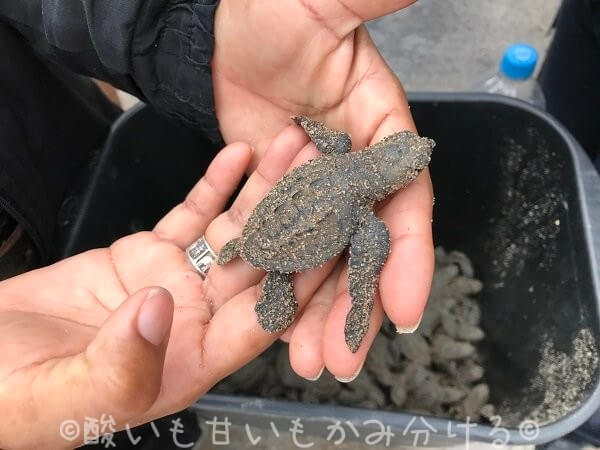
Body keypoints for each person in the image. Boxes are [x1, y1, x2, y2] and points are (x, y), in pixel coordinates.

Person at [0, 0, 434, 447]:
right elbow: (364, 269)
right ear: (388, 179)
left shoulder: (341, 149)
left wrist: (201, 31)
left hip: (43, 131)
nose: (421, 151)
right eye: (411, 158)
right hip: (281, 247)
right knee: (287, 288)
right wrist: (360, 305)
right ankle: (258, 271)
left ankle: (242, 252)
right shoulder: (367, 217)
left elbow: (330, 142)